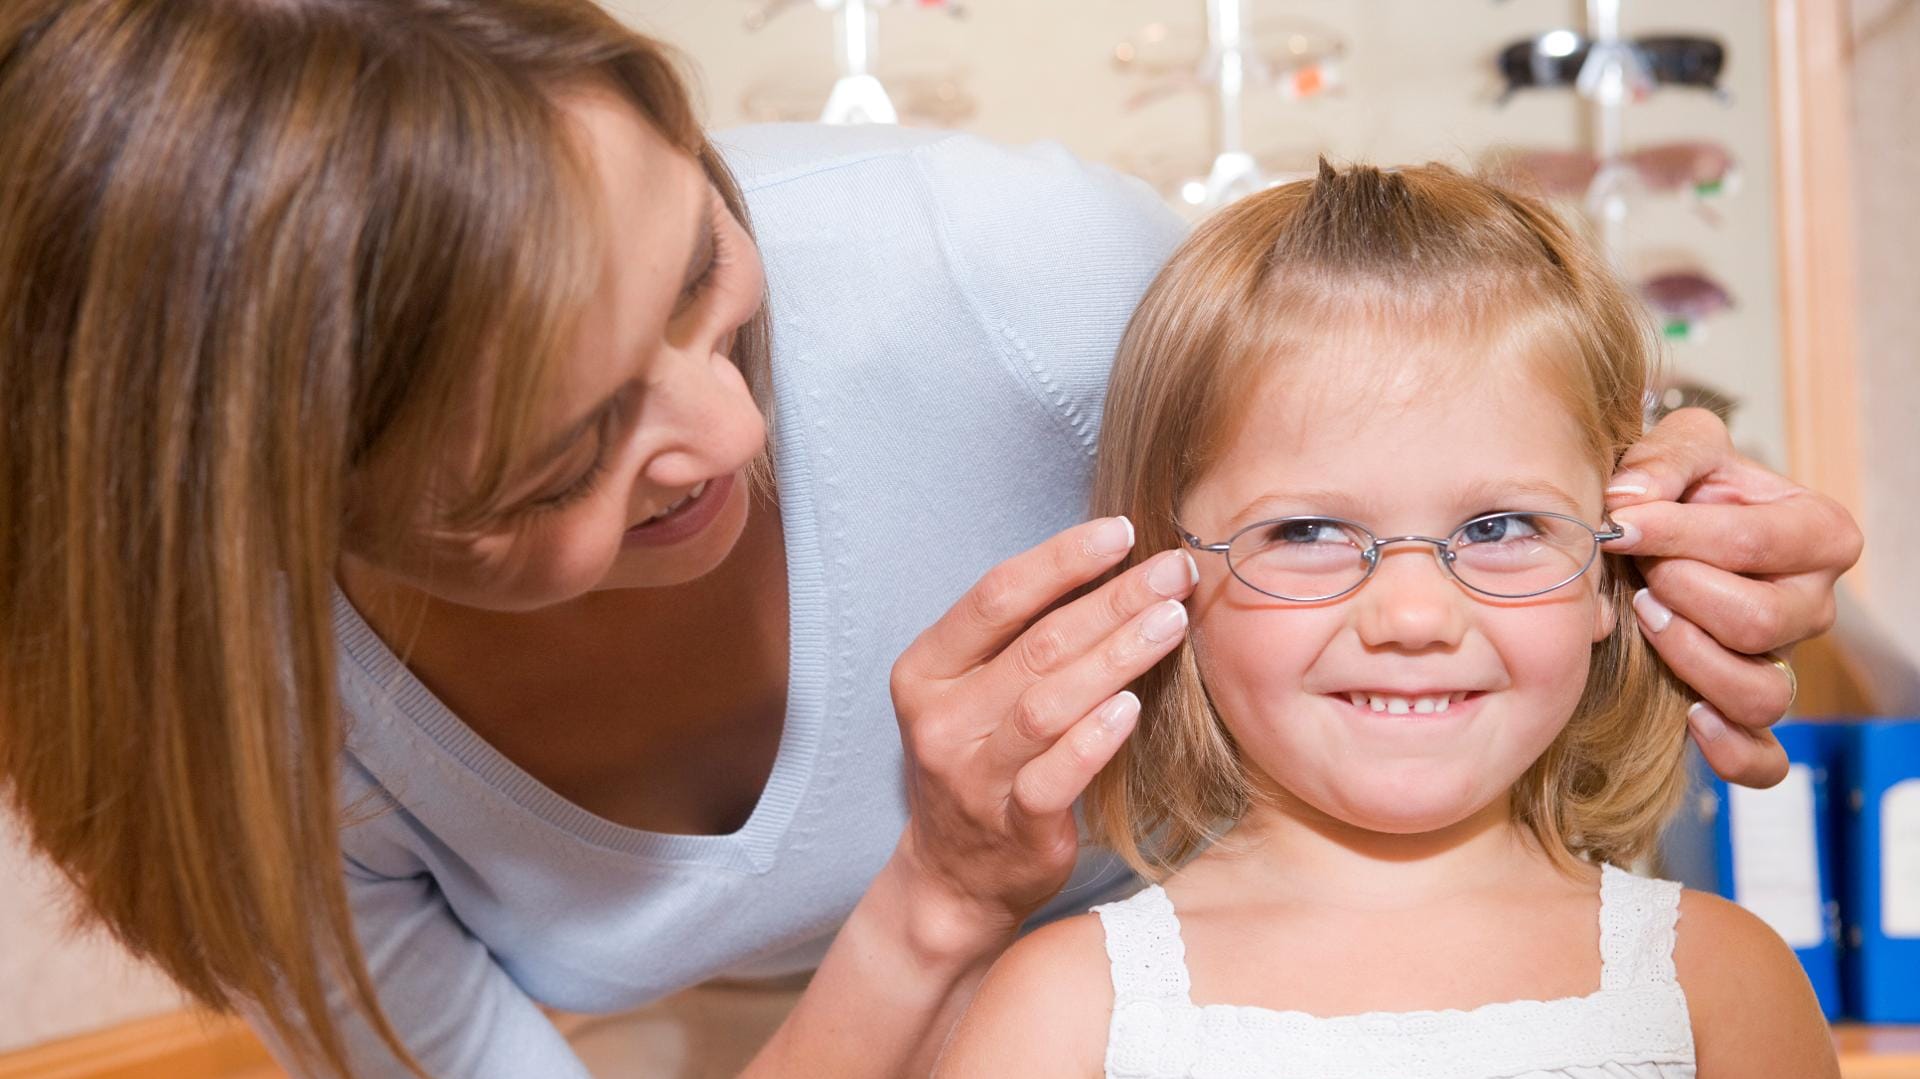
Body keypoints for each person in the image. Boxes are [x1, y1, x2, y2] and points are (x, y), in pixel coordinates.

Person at [0, 2, 1858, 1076]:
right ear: (272, 513)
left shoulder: (1010, 275)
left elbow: (1410, 394)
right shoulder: (248, 765)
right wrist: (936, 906)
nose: (731, 427)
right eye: (565, 450)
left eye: (709, 287)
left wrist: (1670, 487)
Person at [937, 162, 1842, 1078]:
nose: (1414, 616)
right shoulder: (1067, 1011)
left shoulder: (1719, 987)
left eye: (1499, 527)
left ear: (1610, 576)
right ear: (1165, 581)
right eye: (1309, 530)